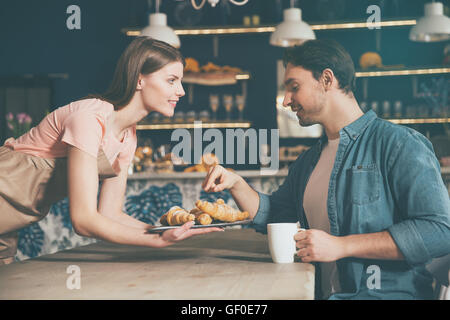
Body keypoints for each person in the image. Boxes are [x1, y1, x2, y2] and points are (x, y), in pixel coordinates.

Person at [201, 39, 450, 299]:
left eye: (294, 87)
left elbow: (438, 231)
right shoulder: (308, 161)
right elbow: (276, 214)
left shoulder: (398, 144)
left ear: (327, 79)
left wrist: (341, 246)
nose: (286, 100)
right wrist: (236, 184)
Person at [0, 37, 222, 265]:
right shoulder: (89, 119)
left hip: (10, 222)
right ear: (139, 80)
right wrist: (156, 241)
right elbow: (83, 220)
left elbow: (110, 214)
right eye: (172, 80)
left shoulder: (128, 136)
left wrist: (165, 231)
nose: (182, 91)